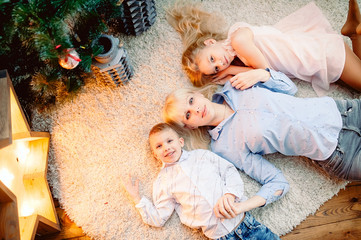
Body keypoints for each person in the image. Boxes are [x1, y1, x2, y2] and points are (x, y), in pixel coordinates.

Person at [163, 67, 361, 181]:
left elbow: (289, 88)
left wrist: (260, 74)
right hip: (339, 156)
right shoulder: (223, 148)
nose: (196, 110)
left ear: (197, 94)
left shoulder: (235, 85)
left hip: (344, 111)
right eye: (188, 115)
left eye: (191, 101)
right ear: (190, 127)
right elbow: (271, 177)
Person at [122, 123, 283, 240]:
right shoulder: (162, 182)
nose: (166, 148)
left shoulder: (202, 156)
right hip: (219, 236)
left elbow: (229, 171)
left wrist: (230, 193)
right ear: (155, 154)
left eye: (169, 141)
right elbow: (159, 218)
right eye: (159, 146)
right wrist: (137, 199)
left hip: (247, 224)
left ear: (181, 142)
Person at [166, 1, 361, 96]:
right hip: (316, 52)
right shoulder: (236, 45)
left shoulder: (238, 41)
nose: (220, 64)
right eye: (215, 68)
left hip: (321, 56)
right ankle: (354, 32)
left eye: (212, 59)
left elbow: (267, 73)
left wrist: (232, 71)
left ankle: (356, 31)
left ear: (209, 42)